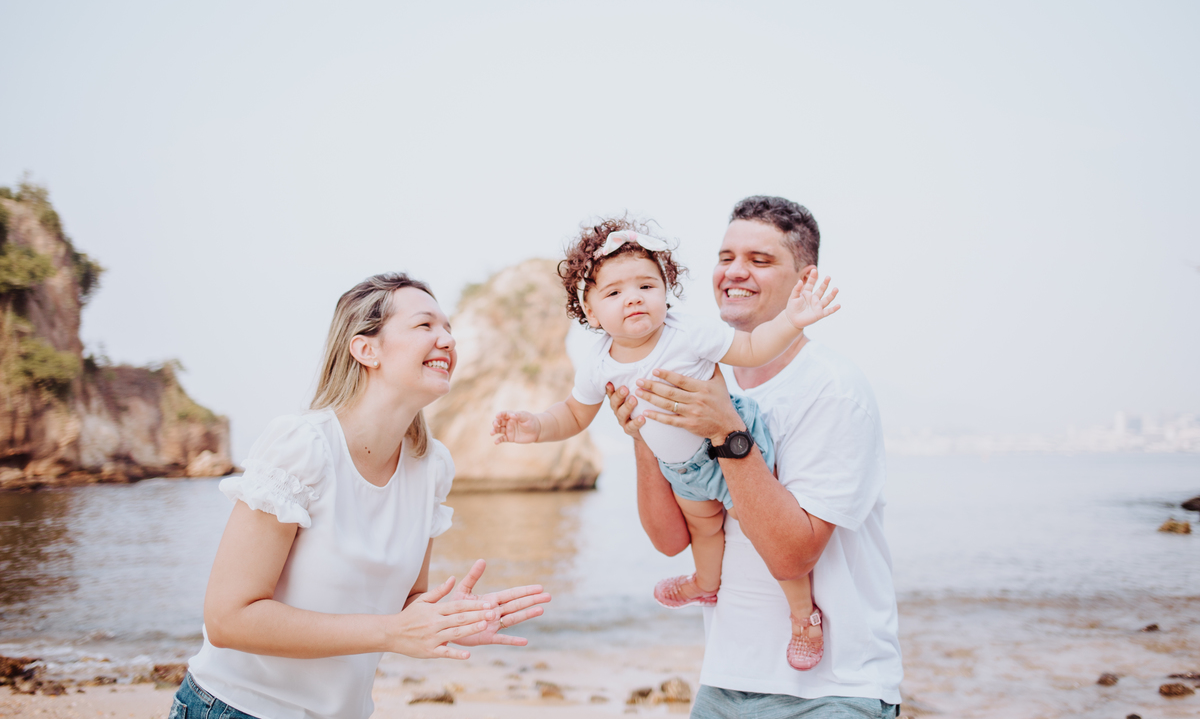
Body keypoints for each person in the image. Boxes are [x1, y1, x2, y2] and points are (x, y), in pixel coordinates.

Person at [175, 273, 552, 719]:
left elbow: (407, 602)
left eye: (448, 328)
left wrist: (450, 620)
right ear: (365, 349)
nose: (447, 339)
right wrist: (391, 633)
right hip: (236, 708)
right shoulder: (303, 447)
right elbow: (228, 619)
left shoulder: (431, 466)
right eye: (425, 325)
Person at [491, 216, 839, 670]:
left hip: (731, 448)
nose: (632, 297)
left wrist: (792, 320)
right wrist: (534, 426)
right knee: (703, 530)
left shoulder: (688, 332)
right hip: (681, 469)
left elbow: (752, 350)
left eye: (645, 286)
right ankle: (705, 582)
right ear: (591, 313)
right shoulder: (598, 363)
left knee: (758, 531)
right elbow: (575, 414)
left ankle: (802, 615)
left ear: (666, 290)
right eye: (613, 293)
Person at [607, 197, 903, 718]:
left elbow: (793, 554)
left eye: (760, 261)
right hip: (723, 683)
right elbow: (670, 538)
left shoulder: (832, 391)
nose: (734, 272)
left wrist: (727, 428)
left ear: (804, 280)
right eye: (725, 256)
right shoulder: (694, 373)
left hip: (833, 693)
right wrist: (642, 437)